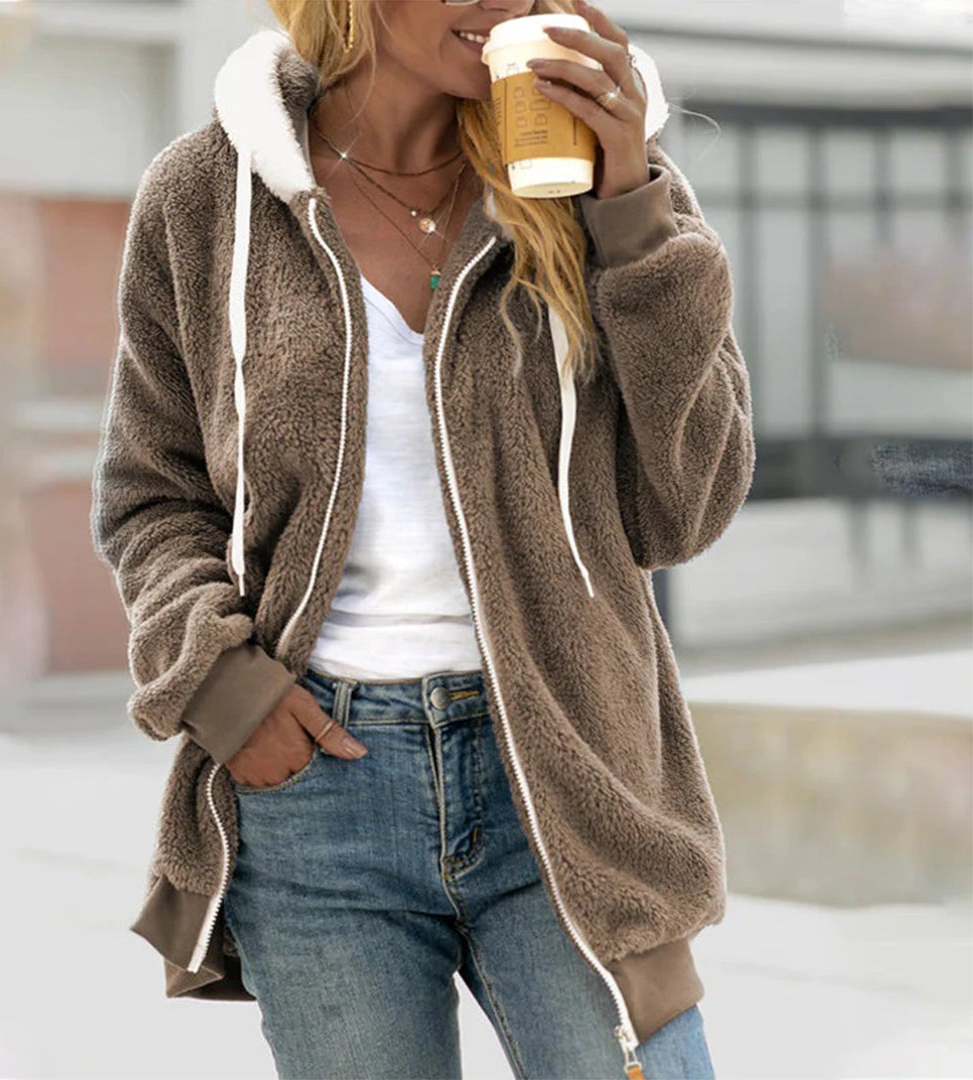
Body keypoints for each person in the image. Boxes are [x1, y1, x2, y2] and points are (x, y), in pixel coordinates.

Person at [89, 0, 755, 1076]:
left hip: (564, 771)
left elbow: (687, 506)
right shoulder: (207, 194)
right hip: (318, 792)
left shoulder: (591, 186)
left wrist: (630, 210)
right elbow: (150, 492)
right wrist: (220, 685)